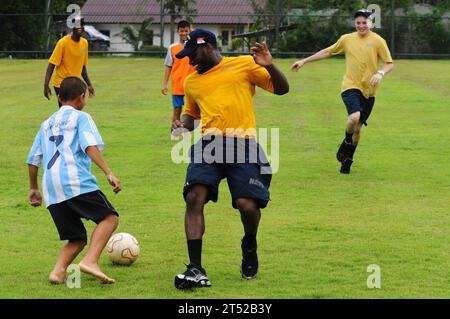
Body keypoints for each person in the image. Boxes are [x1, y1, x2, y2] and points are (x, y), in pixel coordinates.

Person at [171, 29, 289, 289]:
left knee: (246, 204)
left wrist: (270, 67)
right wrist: (183, 124)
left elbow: (282, 89)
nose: (191, 61)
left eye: (194, 55)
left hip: (243, 143)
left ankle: (249, 243)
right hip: (209, 144)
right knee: (194, 196)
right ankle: (195, 269)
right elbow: (192, 114)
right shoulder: (192, 82)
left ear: (209, 48)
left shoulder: (244, 65)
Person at [27, 77, 121, 285]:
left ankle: (58, 272)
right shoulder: (81, 117)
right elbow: (90, 146)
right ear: (81, 97)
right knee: (110, 218)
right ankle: (90, 261)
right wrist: (108, 172)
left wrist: (33, 188)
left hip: (51, 189)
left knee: (77, 237)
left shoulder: (45, 124)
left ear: (59, 98)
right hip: (75, 182)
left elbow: (33, 159)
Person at [291, 9, 394, 174]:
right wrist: (304, 61)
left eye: (364, 22)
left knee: (358, 129)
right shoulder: (346, 39)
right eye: (358, 23)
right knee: (354, 117)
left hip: (369, 91)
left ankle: (347, 161)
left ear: (371, 23)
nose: (361, 25)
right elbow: (327, 51)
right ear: (355, 24)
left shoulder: (378, 41)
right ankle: (346, 141)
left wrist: (380, 73)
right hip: (350, 86)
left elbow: (389, 63)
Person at [44, 18, 95, 107]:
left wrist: (89, 84)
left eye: (82, 25)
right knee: (65, 110)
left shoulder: (84, 43)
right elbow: (52, 64)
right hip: (61, 84)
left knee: (75, 110)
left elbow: (83, 67)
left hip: (75, 84)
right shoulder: (62, 43)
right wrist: (46, 85)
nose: (80, 27)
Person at [162, 20, 196, 124]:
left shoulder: (195, 47)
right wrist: (164, 84)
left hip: (193, 85)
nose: (184, 33)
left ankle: (198, 133)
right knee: (177, 110)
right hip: (178, 84)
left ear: (190, 30)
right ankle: (175, 133)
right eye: (182, 31)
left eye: (186, 31)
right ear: (177, 31)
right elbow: (168, 66)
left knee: (196, 110)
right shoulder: (172, 48)